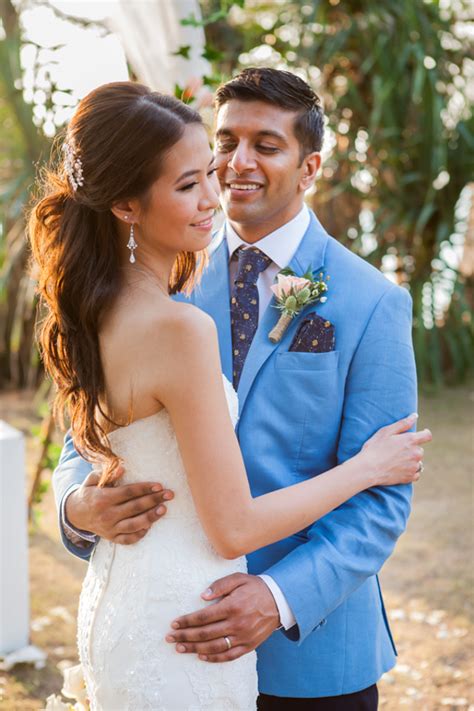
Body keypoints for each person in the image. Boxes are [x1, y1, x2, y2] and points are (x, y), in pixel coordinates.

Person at [44, 74, 429, 710]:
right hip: (176, 630)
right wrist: (76, 509)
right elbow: (87, 439)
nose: (236, 163)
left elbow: (382, 500)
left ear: (309, 168)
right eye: (226, 141)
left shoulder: (373, 303)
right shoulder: (164, 276)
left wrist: (278, 599)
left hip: (313, 654)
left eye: (266, 145)